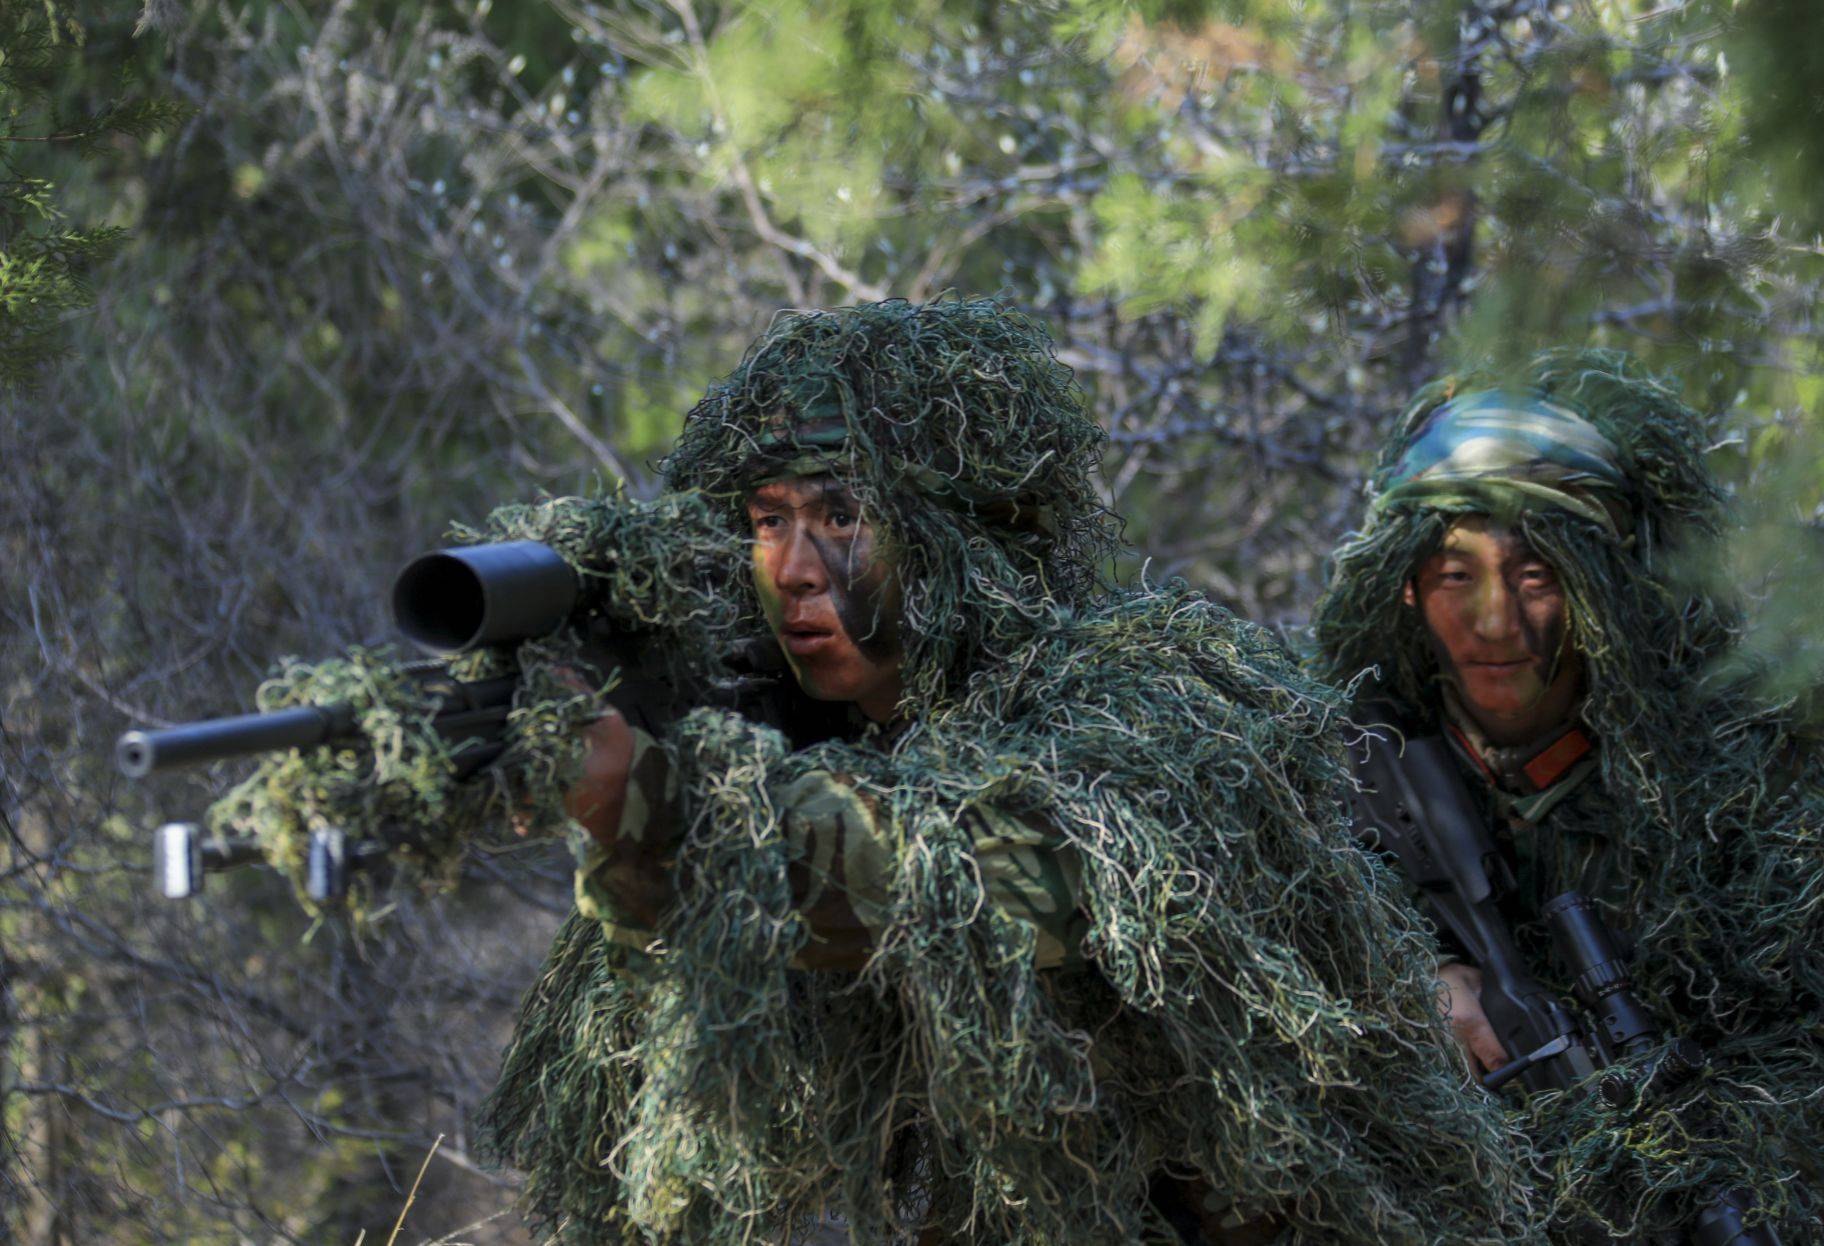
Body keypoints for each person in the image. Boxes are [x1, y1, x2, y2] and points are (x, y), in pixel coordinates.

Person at [477, 298, 1539, 1245]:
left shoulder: (1155, 699)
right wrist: (626, 832)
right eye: (767, 522)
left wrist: (656, 803)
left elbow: (968, 875)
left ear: (963, 533)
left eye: (843, 515)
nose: (795, 569)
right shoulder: (817, 735)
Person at [1311, 352, 1824, 1243]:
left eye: (1535, 576)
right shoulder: (1321, 749)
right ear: (1404, 587)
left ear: (1601, 588)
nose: (1494, 623)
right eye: (1454, 576)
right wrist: (1410, 965)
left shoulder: (1748, 803)